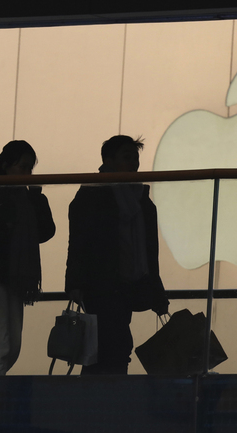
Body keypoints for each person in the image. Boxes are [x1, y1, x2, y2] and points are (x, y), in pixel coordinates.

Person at [65, 135, 169, 375]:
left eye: (135, 158)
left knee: (108, 346)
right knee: (114, 344)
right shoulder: (95, 193)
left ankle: (101, 400)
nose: (133, 164)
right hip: (101, 283)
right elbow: (79, 241)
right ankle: (106, 399)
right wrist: (75, 282)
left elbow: (149, 250)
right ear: (108, 160)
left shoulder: (140, 199)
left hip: (126, 284)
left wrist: (156, 289)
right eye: (126, 157)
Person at [0, 140, 56, 375]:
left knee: (11, 346)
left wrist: (36, 196)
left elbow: (45, 231)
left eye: (29, 169)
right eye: (22, 167)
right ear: (5, 166)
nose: (26, 174)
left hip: (12, 278)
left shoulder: (21, 199)